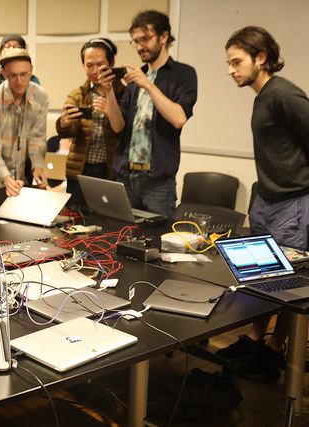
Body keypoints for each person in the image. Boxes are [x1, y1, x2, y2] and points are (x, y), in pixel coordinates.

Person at [216, 26, 309, 380]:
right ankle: (255, 340)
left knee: (289, 283)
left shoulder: (285, 94)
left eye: (236, 62)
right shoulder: (263, 95)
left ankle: (273, 349)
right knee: (260, 277)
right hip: (267, 200)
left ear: (261, 58)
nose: (230, 70)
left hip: (291, 203)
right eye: (229, 63)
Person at [107, 10, 197, 217]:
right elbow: (118, 126)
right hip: (125, 174)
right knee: (122, 238)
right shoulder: (137, 77)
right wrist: (108, 91)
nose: (140, 47)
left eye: (145, 39)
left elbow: (178, 118)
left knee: (157, 241)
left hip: (158, 179)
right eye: (135, 41)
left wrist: (147, 84)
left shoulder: (183, 74)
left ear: (164, 36)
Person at [55, 38, 126, 209]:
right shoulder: (78, 94)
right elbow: (70, 130)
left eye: (100, 64)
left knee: (109, 220)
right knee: (76, 219)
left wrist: (110, 111)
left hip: (110, 170)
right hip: (80, 169)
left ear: (112, 63)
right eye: (89, 65)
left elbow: (126, 131)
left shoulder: (125, 93)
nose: (94, 70)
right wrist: (64, 123)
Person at [0, 48, 49, 198]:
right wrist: (6, 178)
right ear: (3, 73)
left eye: (24, 74)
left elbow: (37, 138)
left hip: (20, 176)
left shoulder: (40, 96)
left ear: (31, 71)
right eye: (13, 76)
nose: (19, 81)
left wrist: (37, 167)